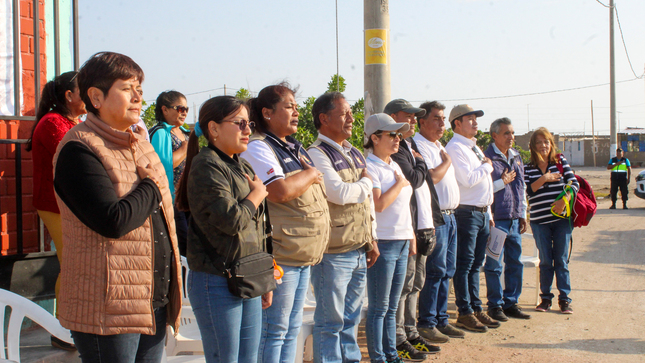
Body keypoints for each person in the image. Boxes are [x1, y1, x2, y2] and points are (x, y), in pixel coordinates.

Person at [52, 52, 182, 362]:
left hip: (150, 299)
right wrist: (150, 185)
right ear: (96, 96)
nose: (138, 97)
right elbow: (113, 221)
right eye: (127, 88)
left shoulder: (138, 142)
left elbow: (164, 215)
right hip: (109, 308)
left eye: (139, 88)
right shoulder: (79, 148)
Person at [175, 95, 273, 362]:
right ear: (214, 129)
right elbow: (231, 221)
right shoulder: (207, 164)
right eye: (239, 123)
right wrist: (256, 195)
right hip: (217, 279)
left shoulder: (241, 164)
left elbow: (258, 229)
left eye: (249, 123)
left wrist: (265, 277)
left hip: (247, 276)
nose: (248, 130)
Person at [240, 83, 330, 363]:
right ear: (267, 112)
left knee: (290, 329)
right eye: (289, 106)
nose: (296, 111)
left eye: (295, 105)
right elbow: (279, 191)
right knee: (273, 330)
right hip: (281, 255)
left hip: (301, 253)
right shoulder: (259, 147)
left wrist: (307, 175)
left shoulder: (291, 147)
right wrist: (310, 173)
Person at [307, 92, 377, 363]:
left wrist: (372, 240)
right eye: (344, 113)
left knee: (351, 320)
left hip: (359, 248)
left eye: (350, 113)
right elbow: (337, 192)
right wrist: (367, 183)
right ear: (324, 119)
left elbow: (364, 201)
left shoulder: (353, 151)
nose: (351, 118)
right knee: (330, 321)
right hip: (334, 253)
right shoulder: (317, 153)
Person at [27, 70, 85, 351]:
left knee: (74, 263)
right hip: (54, 204)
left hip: (70, 205)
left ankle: (71, 325)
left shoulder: (74, 121)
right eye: (84, 90)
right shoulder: (53, 123)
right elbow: (78, 155)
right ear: (69, 95)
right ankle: (62, 329)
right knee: (72, 263)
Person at [385, 99, 442, 359]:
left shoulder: (410, 145)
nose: (411, 120)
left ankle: (411, 332)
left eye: (413, 116)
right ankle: (398, 338)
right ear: (392, 117)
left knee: (416, 283)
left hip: (421, 225)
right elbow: (416, 178)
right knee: (403, 286)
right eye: (406, 116)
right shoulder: (395, 149)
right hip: (405, 229)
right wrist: (420, 164)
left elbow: (424, 183)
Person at [445, 104, 499, 333]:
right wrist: (487, 167)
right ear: (457, 123)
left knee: (477, 264)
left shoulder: (472, 147)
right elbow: (467, 180)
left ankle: (476, 308)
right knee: (464, 264)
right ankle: (464, 311)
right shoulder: (455, 147)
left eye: (476, 119)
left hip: (482, 212)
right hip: (466, 213)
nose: (475, 122)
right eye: (470, 119)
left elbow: (483, 185)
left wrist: (490, 213)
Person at [414, 101, 464, 342]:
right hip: (437, 218)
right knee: (434, 271)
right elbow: (431, 177)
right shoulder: (418, 145)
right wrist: (446, 163)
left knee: (448, 271)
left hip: (451, 217)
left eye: (443, 119)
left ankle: (442, 319)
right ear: (422, 122)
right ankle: (427, 321)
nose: (442, 123)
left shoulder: (438, 145)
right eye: (437, 118)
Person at [364, 113, 413, 363]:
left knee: (392, 307)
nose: (398, 139)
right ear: (375, 138)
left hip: (402, 240)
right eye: (392, 134)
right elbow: (379, 204)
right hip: (383, 242)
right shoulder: (370, 166)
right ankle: (378, 358)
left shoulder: (393, 165)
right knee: (379, 308)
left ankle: (391, 355)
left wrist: (411, 237)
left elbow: (403, 207)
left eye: (399, 135)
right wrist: (400, 184)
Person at [524, 127, 578, 314]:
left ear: (551, 144)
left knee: (561, 260)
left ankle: (565, 299)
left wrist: (564, 202)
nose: (543, 145)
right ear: (533, 146)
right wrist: (545, 178)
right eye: (539, 142)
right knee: (546, 261)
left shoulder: (560, 162)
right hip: (540, 221)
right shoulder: (528, 167)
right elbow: (529, 190)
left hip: (562, 221)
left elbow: (574, 184)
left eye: (546, 142)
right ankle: (545, 298)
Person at [482, 118, 531, 321]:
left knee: (515, 263)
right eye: (506, 133)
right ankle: (495, 305)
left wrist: (522, 213)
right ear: (494, 136)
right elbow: (483, 189)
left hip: (514, 218)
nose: (511, 137)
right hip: (497, 219)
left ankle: (511, 302)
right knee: (494, 264)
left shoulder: (516, 157)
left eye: (512, 133)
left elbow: (521, 188)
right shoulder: (487, 158)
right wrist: (502, 182)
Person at [149, 91, 191, 256]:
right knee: (182, 248)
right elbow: (162, 166)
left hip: (187, 200)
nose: (185, 112)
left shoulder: (184, 132)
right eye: (180, 108)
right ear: (165, 110)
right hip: (171, 201)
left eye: (186, 109)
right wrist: (184, 149)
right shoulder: (160, 132)